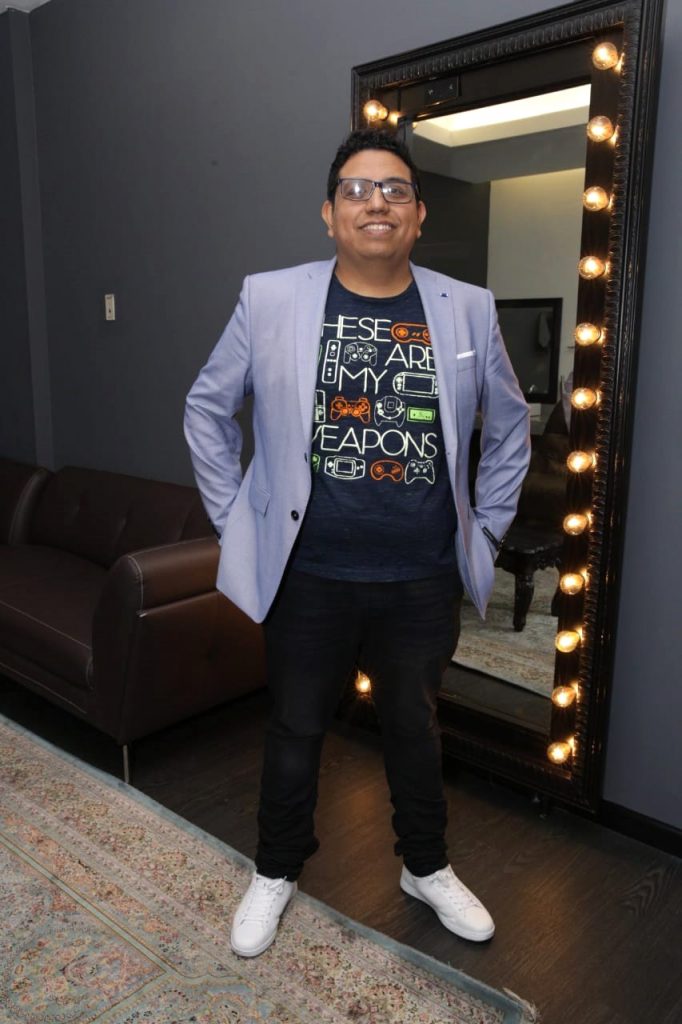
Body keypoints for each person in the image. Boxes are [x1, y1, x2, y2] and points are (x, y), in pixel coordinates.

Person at [184, 128, 530, 958]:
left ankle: (425, 866)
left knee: (415, 727)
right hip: (308, 572)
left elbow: (510, 427)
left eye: (395, 190)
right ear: (330, 212)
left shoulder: (468, 306)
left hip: (421, 574)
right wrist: (236, 519)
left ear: (418, 214)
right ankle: (276, 869)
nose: (377, 202)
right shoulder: (270, 298)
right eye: (358, 189)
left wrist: (485, 527)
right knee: (295, 728)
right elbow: (207, 407)